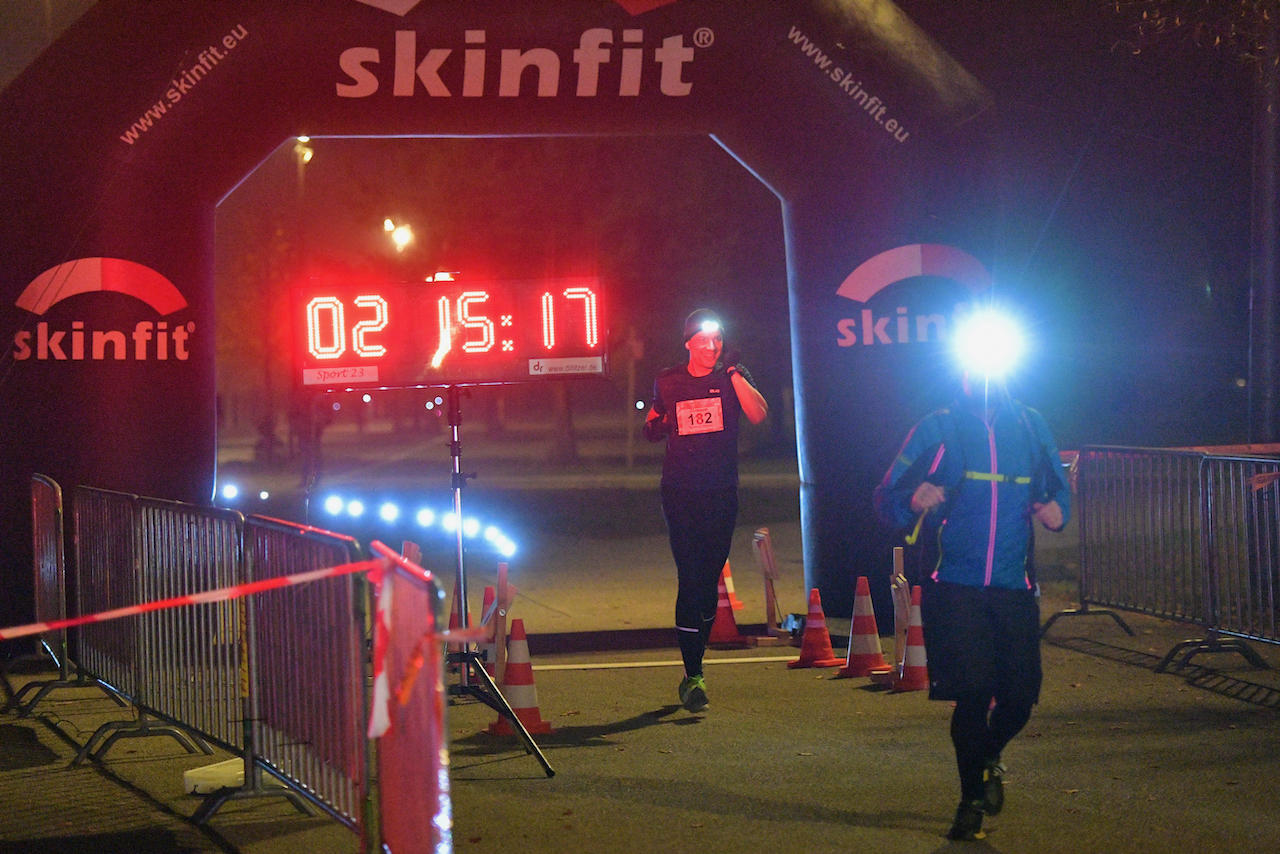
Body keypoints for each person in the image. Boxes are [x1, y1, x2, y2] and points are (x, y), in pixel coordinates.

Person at [873, 369, 1070, 841]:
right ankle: (969, 802)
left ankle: (987, 759)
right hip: (953, 586)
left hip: (1013, 587)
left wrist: (1058, 511)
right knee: (973, 694)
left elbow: (1058, 486)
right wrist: (911, 501)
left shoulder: (1030, 425)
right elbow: (885, 498)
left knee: (1021, 698)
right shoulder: (935, 427)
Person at [644, 309, 768, 712]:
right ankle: (693, 674)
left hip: (720, 492)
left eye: (717, 340)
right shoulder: (669, 379)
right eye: (703, 340)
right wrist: (659, 423)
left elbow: (757, 413)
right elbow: (649, 424)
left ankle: (696, 661)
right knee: (690, 576)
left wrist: (733, 373)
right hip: (680, 492)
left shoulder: (731, 376)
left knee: (709, 583)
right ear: (688, 343)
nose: (711, 347)